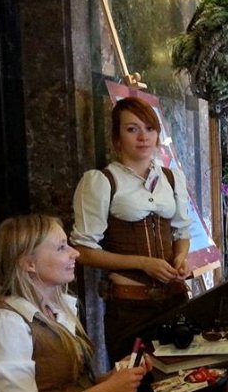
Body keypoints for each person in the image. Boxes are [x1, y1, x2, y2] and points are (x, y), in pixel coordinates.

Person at [0, 215, 149, 392]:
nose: (75, 253)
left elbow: (69, 389)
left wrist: (115, 379)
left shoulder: (58, 309)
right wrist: (106, 390)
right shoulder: (5, 325)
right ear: (29, 264)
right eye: (61, 247)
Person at [71, 97, 192, 362]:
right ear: (117, 137)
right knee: (135, 379)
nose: (143, 137)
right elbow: (83, 251)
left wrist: (180, 258)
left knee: (183, 374)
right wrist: (142, 263)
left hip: (175, 299)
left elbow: (182, 233)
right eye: (131, 129)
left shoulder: (172, 178)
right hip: (129, 305)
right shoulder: (101, 181)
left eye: (149, 128)